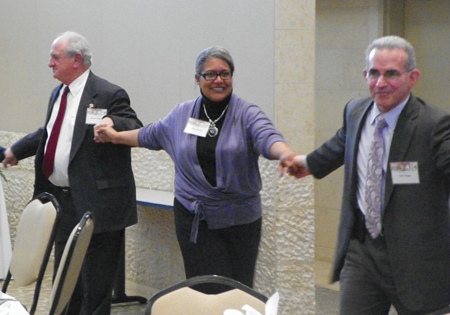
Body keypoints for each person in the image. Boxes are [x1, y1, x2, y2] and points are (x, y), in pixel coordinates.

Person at [95, 46, 296, 294]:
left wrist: (284, 154)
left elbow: (267, 135)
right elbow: (149, 134)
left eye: (225, 73)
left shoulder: (247, 113)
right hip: (194, 217)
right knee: (206, 289)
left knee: (240, 290)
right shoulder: (182, 114)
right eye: (210, 74)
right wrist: (114, 136)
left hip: (240, 220)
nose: (218, 80)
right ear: (198, 79)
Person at [288, 35, 450, 314]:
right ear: (365, 74)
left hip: (417, 260)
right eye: (374, 73)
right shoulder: (355, 110)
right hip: (362, 251)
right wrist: (308, 163)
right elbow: (341, 143)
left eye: (391, 74)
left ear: (413, 77)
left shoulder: (433, 125)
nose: (380, 83)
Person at [3, 31, 142, 314]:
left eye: (55, 57)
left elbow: (132, 122)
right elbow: (51, 133)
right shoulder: (59, 93)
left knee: (96, 284)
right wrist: (17, 150)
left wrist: (111, 122)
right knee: (67, 279)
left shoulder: (107, 93)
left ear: (76, 59)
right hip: (63, 202)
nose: (50, 64)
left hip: (99, 204)